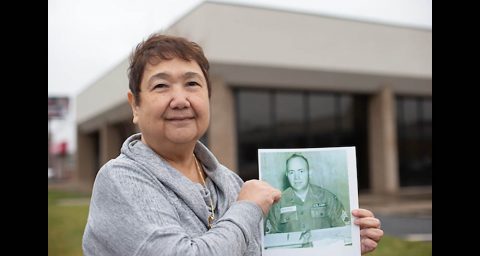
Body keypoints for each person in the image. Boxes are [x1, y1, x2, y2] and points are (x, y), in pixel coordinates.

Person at [82, 33, 383, 256]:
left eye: (192, 84)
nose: (180, 100)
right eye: (161, 86)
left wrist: (337, 244)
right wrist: (248, 207)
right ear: (135, 106)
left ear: (207, 99)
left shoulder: (228, 181)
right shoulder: (120, 179)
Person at [266, 153, 349, 234]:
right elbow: (269, 238)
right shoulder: (277, 203)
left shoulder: (328, 198)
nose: (296, 177)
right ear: (287, 175)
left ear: (309, 172)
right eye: (292, 172)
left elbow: (345, 231)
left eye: (301, 171)